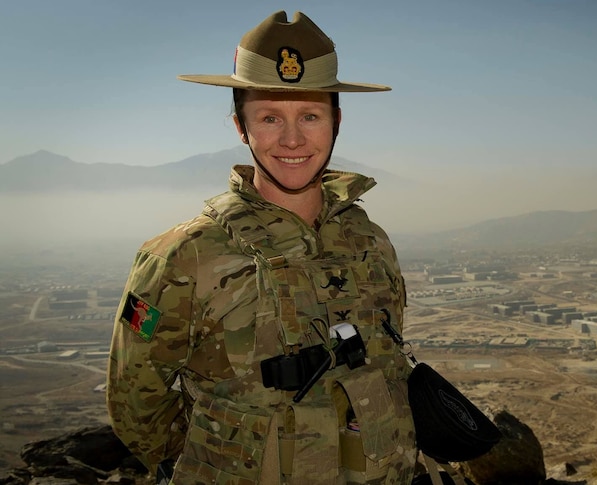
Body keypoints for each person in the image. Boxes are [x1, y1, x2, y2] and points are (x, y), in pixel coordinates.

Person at [107, 10, 418, 484]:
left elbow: (387, 364)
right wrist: (207, 466)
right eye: (270, 116)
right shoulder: (184, 254)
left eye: (310, 116)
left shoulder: (369, 241)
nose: (292, 139)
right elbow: (134, 403)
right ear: (240, 126)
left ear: (336, 121)